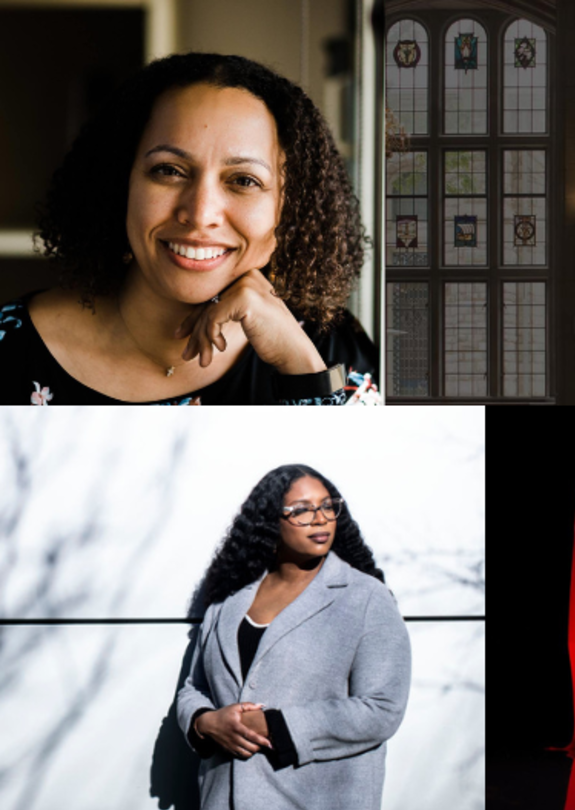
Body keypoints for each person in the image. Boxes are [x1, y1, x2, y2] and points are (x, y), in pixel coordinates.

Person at [0, 54, 377, 404]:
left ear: (290, 209)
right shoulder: (9, 350)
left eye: (244, 180)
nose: (200, 213)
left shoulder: (331, 352)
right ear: (120, 185)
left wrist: (304, 371)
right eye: (169, 171)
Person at [176, 465, 410, 809]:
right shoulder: (228, 600)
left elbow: (382, 708)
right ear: (270, 521)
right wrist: (206, 722)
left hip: (316, 798)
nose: (319, 518)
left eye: (328, 506)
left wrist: (274, 726)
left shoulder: (365, 597)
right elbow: (194, 687)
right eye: (300, 510)